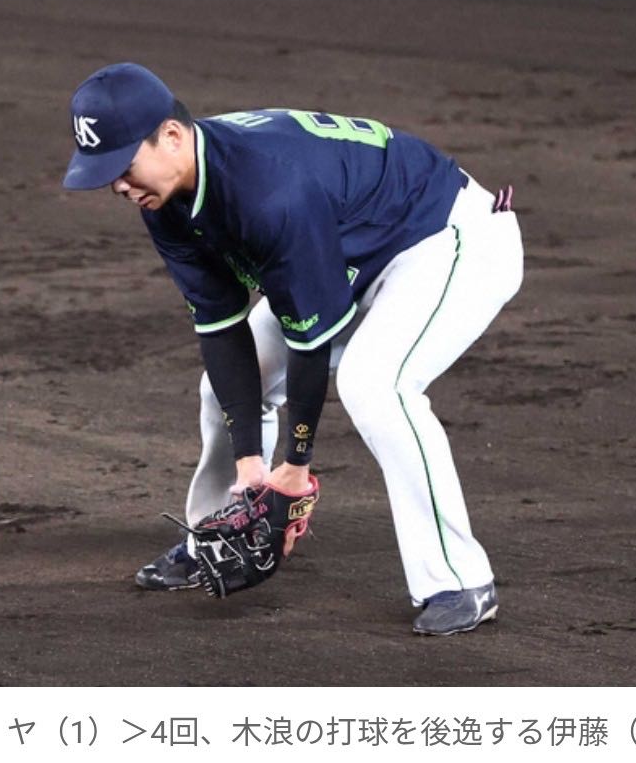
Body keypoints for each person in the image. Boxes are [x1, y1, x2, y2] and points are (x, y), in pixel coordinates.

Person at [63, 63, 523, 635]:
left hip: (446, 239)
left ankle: (459, 580)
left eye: (124, 165)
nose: (117, 185)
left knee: (376, 385)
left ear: (172, 136)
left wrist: (294, 468)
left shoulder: (268, 189)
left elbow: (311, 341)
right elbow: (221, 329)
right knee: (220, 391)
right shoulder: (166, 200)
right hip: (347, 253)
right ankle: (216, 536)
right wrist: (252, 468)